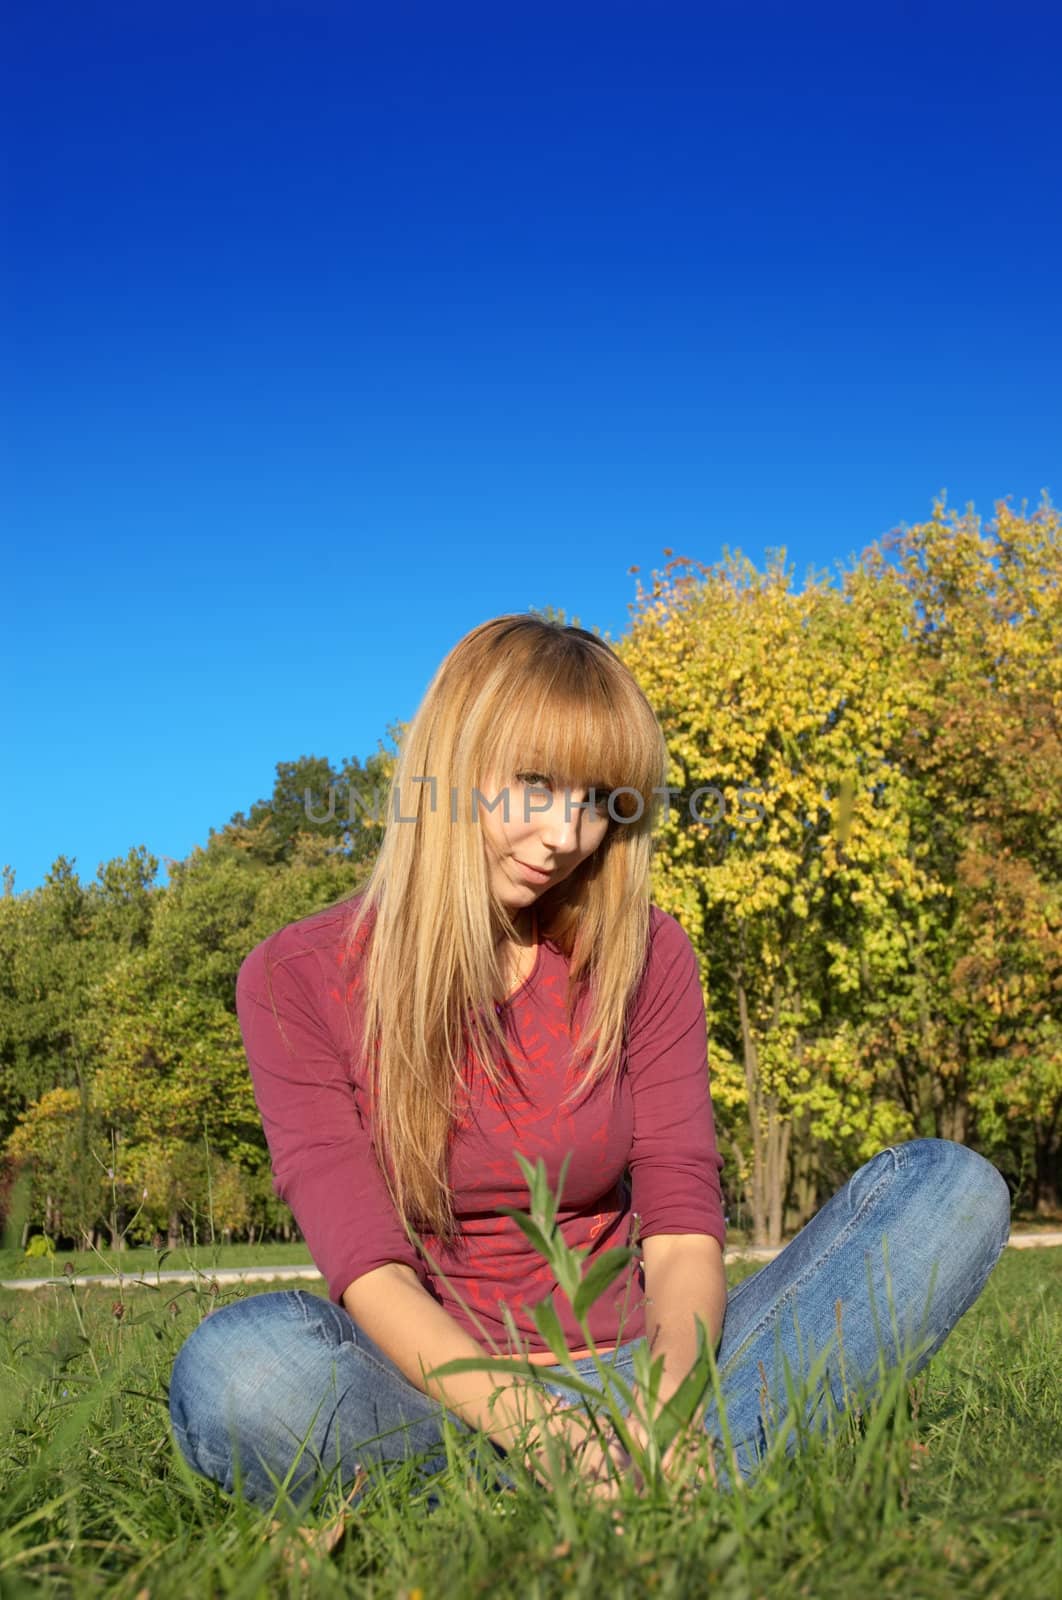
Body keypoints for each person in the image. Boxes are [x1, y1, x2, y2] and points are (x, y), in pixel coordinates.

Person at [168, 615, 1011, 1513]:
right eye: (535, 785)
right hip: (434, 1393)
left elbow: (684, 1228)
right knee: (244, 1373)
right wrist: (544, 1430)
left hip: (642, 1370)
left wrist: (668, 1405)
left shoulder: (645, 954)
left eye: (599, 801)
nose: (567, 835)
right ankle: (647, 1487)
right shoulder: (297, 979)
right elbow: (368, 1271)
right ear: (451, 770)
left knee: (951, 1188)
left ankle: (548, 1496)